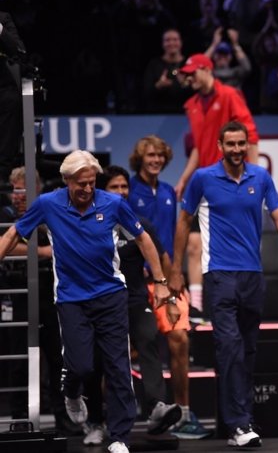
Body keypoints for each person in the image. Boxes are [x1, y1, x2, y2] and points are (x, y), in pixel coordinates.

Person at [0, 151, 171, 453]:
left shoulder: (114, 204)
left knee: (118, 368)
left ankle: (119, 437)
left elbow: (144, 239)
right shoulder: (48, 204)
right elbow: (15, 233)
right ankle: (72, 393)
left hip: (110, 295)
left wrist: (159, 282)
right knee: (79, 365)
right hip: (71, 298)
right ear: (67, 181)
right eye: (81, 184)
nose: (87, 189)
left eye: (91, 183)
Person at [169, 121, 278, 448]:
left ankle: (238, 420)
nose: (236, 150)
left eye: (241, 144)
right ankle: (239, 423)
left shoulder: (260, 177)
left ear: (247, 146)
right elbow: (183, 222)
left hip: (252, 276)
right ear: (220, 145)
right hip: (218, 275)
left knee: (246, 350)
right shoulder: (203, 178)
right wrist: (176, 268)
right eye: (230, 144)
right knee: (230, 348)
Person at [77, 165, 181, 445]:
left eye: (125, 187)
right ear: (102, 191)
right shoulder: (92, 221)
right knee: (98, 362)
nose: (122, 192)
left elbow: (163, 257)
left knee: (148, 340)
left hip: (135, 299)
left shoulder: (140, 223)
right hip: (100, 301)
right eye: (115, 187)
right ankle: (97, 422)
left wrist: (169, 296)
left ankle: (157, 407)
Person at [126, 136, 210, 439]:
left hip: (168, 280)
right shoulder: (127, 191)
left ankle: (183, 413)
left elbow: (174, 237)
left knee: (179, 341)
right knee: (130, 350)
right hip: (139, 282)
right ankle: (112, 418)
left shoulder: (167, 192)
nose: (156, 160)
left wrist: (175, 272)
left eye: (160, 155)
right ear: (140, 158)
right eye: (150, 155)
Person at [175, 53, 260, 331]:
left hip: (231, 183)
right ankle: (197, 306)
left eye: (192, 73)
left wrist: (254, 178)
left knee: (222, 246)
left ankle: (234, 306)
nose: (189, 78)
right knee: (194, 244)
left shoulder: (230, 95)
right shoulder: (191, 105)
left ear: (206, 69)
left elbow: (250, 135)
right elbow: (200, 147)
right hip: (205, 181)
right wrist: (184, 179)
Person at [0, 167, 80, 435]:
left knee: (58, 358)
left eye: (24, 190)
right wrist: (43, 251)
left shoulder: (48, 211)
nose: (19, 196)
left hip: (49, 294)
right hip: (17, 293)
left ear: (36, 190)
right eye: (16, 190)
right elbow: (6, 242)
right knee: (20, 358)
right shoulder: (5, 215)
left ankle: (63, 417)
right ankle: (20, 417)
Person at [142, 28, 193, 114]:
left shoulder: (189, 64)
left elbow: (196, 93)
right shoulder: (154, 64)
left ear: (181, 42)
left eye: (175, 40)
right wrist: (159, 85)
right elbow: (146, 93)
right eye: (167, 40)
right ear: (162, 44)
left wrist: (184, 84)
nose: (171, 43)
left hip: (184, 114)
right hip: (158, 114)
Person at [0, 11, 25, 183]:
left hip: (2, 87)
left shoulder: (3, 19)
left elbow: (18, 49)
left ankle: (1, 171)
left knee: (12, 100)